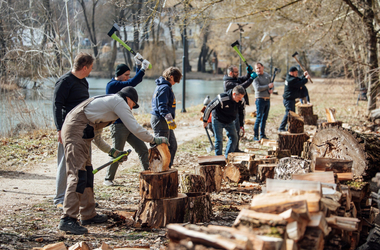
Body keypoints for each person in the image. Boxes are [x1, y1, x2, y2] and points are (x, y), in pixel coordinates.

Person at [58, 86, 169, 235]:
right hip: (74, 131)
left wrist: (113, 152)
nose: (132, 109)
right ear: (129, 99)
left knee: (87, 174)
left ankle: (88, 214)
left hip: (82, 133)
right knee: (78, 175)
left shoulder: (107, 106)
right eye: (133, 105)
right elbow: (134, 127)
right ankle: (67, 219)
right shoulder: (118, 101)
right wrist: (153, 139)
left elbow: (96, 137)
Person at [53, 52, 94, 209]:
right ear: (84, 67)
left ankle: (82, 198)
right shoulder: (64, 82)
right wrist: (59, 129)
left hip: (83, 129)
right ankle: (59, 199)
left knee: (83, 165)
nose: (91, 70)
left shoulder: (83, 82)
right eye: (90, 68)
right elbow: (57, 106)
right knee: (65, 163)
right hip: (68, 130)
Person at [104, 55, 150, 186]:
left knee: (142, 149)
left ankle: (148, 174)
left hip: (128, 124)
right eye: (126, 75)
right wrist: (142, 69)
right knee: (117, 152)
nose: (128, 77)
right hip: (118, 126)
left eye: (129, 74)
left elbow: (131, 82)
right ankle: (108, 179)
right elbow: (131, 84)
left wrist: (137, 65)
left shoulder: (120, 83)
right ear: (118, 75)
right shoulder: (112, 85)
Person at [150, 67, 182, 168]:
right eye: (175, 80)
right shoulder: (165, 87)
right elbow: (162, 107)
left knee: (172, 145)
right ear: (171, 77)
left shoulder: (164, 86)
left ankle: (167, 167)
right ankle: (159, 169)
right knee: (161, 147)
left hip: (164, 121)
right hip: (161, 120)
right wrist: (169, 120)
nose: (176, 83)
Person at [202, 85, 246, 159]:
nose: (240, 99)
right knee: (219, 140)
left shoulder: (241, 101)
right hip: (218, 120)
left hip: (230, 121)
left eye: (241, 97)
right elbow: (209, 107)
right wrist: (205, 120)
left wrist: (241, 125)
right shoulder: (222, 98)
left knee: (234, 137)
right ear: (234, 94)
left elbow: (242, 113)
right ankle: (218, 159)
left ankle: (227, 157)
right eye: (239, 97)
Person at [223, 65, 257, 152]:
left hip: (239, 107)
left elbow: (244, 78)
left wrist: (248, 73)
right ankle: (231, 150)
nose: (238, 74)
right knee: (234, 130)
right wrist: (251, 79)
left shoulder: (236, 79)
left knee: (238, 129)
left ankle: (236, 148)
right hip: (232, 109)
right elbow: (242, 86)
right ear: (231, 73)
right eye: (236, 72)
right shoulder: (228, 83)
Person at [278, 66, 310, 132]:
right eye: (296, 72)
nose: (297, 74)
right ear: (292, 72)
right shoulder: (290, 80)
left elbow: (298, 79)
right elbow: (299, 83)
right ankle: (281, 128)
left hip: (291, 100)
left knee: (291, 114)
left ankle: (288, 128)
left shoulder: (292, 78)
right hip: (288, 100)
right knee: (288, 114)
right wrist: (306, 79)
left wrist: (303, 76)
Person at [253, 62, 274, 141]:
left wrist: (272, 89)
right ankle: (255, 136)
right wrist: (267, 86)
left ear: (263, 67)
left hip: (267, 99)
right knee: (259, 117)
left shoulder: (267, 76)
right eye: (257, 68)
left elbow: (271, 85)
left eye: (259, 67)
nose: (258, 69)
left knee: (264, 118)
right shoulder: (255, 77)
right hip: (259, 99)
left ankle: (262, 135)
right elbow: (257, 88)